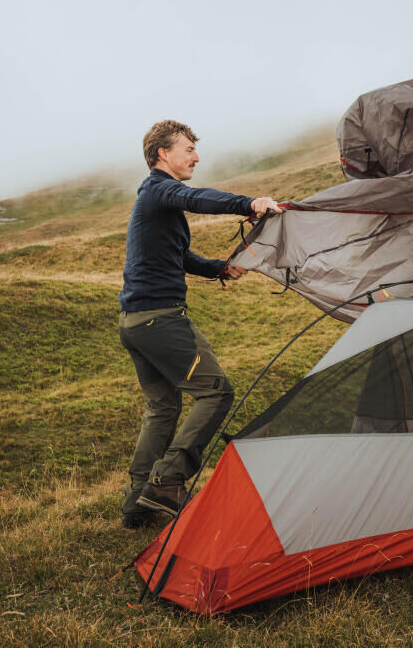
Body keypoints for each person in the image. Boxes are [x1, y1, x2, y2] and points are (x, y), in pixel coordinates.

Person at [119, 119, 282, 528]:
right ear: (163, 154)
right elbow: (197, 199)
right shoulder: (160, 189)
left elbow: (180, 255)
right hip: (160, 318)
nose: (196, 156)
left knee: (162, 408)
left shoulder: (155, 200)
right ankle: (167, 481)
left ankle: (138, 502)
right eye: (188, 149)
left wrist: (219, 270)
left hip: (136, 322)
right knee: (216, 393)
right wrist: (250, 204)